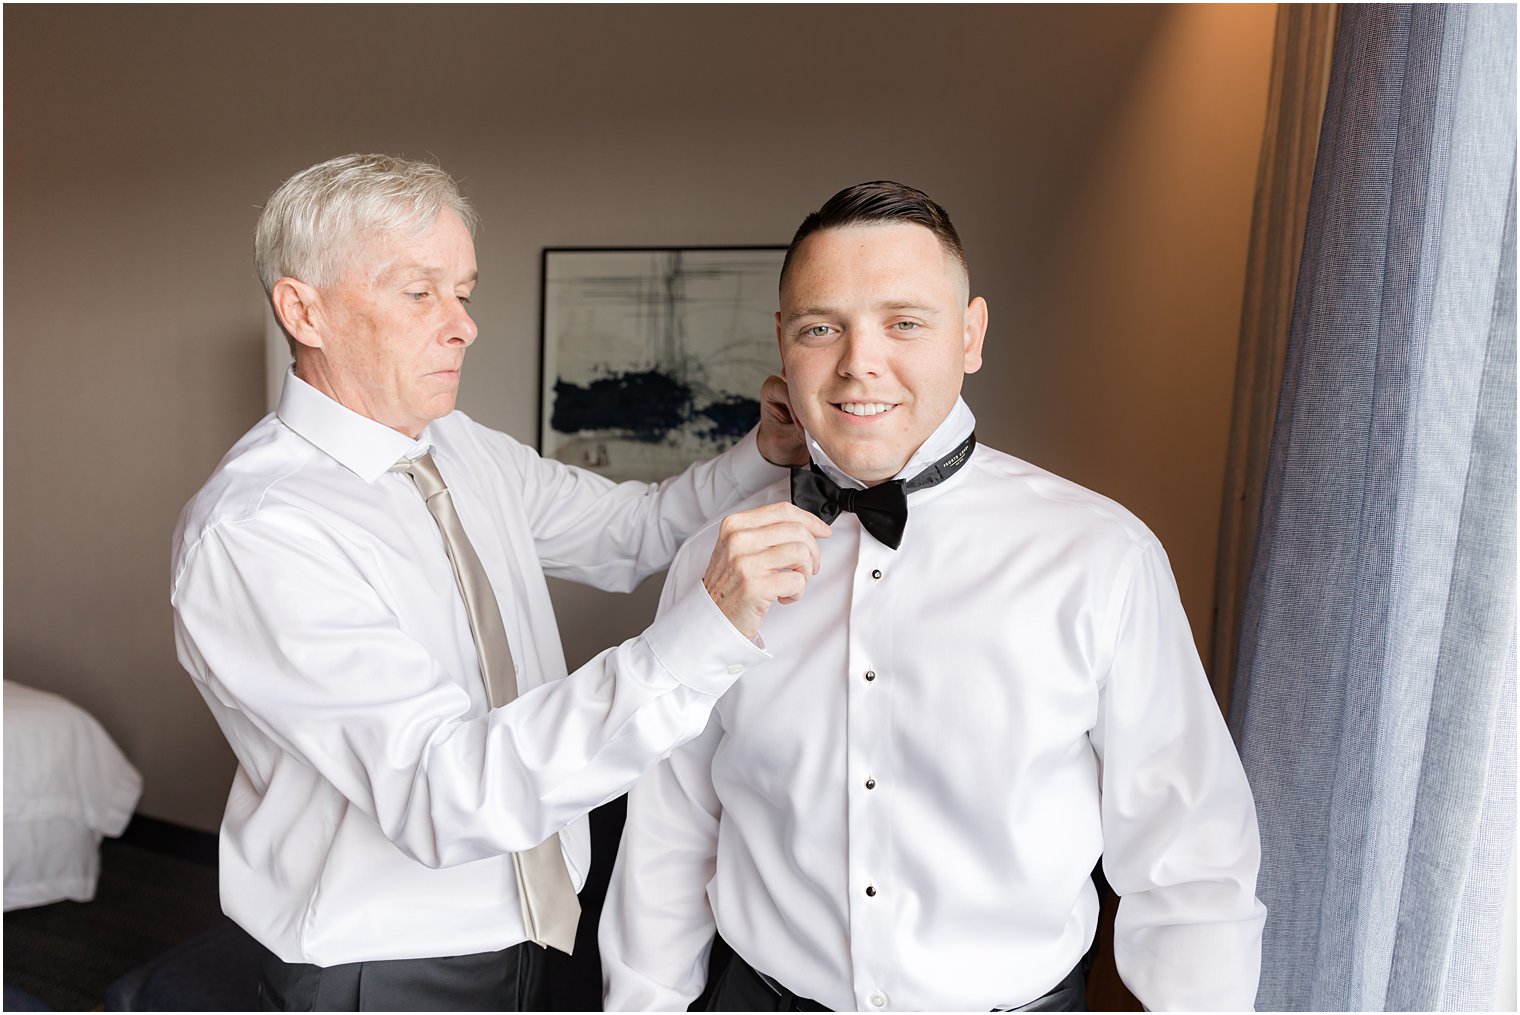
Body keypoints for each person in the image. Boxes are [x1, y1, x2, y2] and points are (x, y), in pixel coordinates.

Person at [170, 153, 829, 1011]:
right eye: (420, 294)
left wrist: (762, 454)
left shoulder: (459, 446)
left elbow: (629, 529)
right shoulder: (257, 532)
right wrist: (703, 634)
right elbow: (447, 790)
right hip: (385, 972)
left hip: (543, 927)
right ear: (304, 310)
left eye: (464, 292)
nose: (463, 326)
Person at [600, 182, 1267, 1012]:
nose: (858, 363)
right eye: (821, 327)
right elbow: (670, 831)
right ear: (783, 343)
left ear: (971, 334)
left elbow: (1190, 858)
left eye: (904, 322)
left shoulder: (1102, 558)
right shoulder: (714, 560)